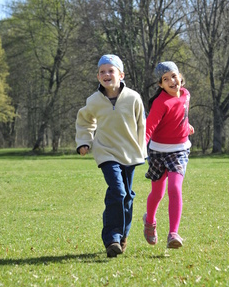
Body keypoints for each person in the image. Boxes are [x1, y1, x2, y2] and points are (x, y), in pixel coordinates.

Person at [76, 54, 147, 258]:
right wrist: (84, 141)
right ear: (98, 76)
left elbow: (142, 124)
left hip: (130, 152)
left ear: (121, 74)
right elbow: (85, 121)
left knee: (127, 196)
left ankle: (122, 234)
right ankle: (112, 238)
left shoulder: (133, 98)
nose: (106, 74)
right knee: (117, 190)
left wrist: (143, 151)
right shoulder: (93, 101)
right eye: (102, 72)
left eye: (111, 70)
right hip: (106, 151)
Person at [143, 61, 194, 249]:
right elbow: (149, 129)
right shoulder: (160, 103)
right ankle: (149, 221)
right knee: (157, 193)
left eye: (174, 76)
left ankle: (173, 233)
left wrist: (186, 127)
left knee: (174, 188)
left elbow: (182, 114)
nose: (172, 81)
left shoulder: (186, 94)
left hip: (179, 150)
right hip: (157, 151)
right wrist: (141, 149)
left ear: (180, 76)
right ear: (160, 85)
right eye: (166, 79)